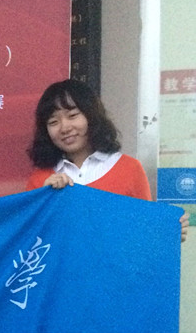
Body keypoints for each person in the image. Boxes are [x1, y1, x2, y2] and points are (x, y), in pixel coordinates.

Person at [26, 78, 188, 238]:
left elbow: (144, 232)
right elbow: (27, 239)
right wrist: (43, 198)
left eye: (73, 115)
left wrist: (167, 234)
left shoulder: (129, 169)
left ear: (91, 116)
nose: (65, 128)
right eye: (53, 122)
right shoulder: (40, 180)